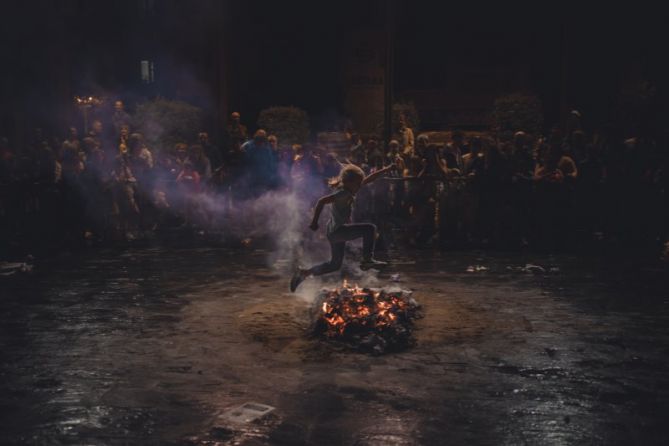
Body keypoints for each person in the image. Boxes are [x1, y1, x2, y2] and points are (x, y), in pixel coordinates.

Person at [290, 161, 399, 292]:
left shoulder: (352, 188)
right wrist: (314, 222)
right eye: (358, 183)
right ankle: (367, 260)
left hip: (334, 233)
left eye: (360, 183)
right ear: (349, 182)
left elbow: (369, 178)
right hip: (338, 231)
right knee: (369, 229)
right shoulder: (342, 194)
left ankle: (304, 273)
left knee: (334, 265)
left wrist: (386, 169)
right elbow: (321, 201)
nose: (360, 186)